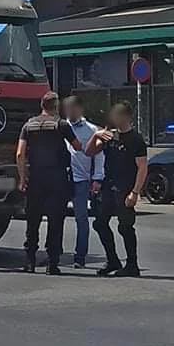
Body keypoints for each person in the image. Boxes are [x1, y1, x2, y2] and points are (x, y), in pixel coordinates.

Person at [16, 91, 81, 275]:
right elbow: (77, 146)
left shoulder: (29, 125)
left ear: (41, 105)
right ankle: (52, 264)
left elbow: (20, 154)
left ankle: (30, 261)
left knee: (32, 220)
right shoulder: (60, 125)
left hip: (36, 179)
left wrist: (23, 177)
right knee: (55, 221)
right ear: (56, 107)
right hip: (56, 179)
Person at [86, 100, 148, 277]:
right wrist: (96, 136)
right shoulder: (110, 136)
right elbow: (90, 152)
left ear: (126, 117)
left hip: (125, 188)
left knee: (125, 227)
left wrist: (135, 192)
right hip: (108, 186)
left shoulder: (136, 139)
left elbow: (142, 167)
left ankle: (132, 265)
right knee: (100, 223)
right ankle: (112, 260)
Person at [63, 95, 104, 268]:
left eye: (73, 108)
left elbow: (99, 155)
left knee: (81, 217)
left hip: (81, 179)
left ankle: (80, 256)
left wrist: (97, 178)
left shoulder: (91, 129)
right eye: (67, 108)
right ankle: (54, 253)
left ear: (80, 110)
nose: (70, 111)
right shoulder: (60, 126)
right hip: (61, 178)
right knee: (56, 217)